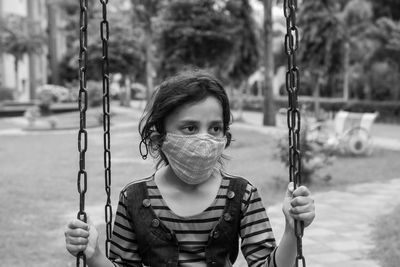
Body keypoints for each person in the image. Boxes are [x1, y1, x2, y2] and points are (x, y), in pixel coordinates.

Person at [65, 70, 315, 267]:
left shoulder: (242, 194)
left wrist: (292, 233)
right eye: (190, 128)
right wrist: (94, 255)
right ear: (158, 138)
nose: (205, 140)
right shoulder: (134, 199)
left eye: (215, 128)